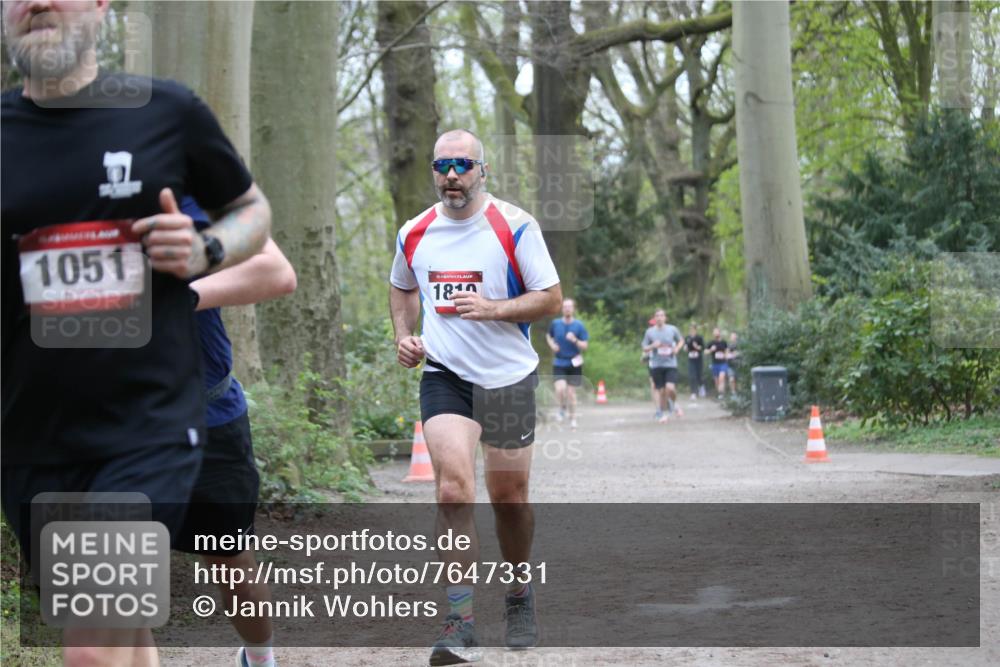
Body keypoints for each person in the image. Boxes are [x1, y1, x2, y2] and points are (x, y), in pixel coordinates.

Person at [1, 1, 271, 664]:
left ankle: (261, 652)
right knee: (121, 636)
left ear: (101, 5)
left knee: (91, 646)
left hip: (146, 426)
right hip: (30, 437)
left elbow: (251, 211)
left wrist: (205, 249)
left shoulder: (166, 113)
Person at [389, 129, 561, 665]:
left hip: (507, 377)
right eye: (442, 165)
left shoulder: (515, 225)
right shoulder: (414, 232)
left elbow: (550, 299)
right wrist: (404, 334)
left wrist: (494, 308)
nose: (452, 175)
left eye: (463, 165)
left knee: (509, 498)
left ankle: (518, 591)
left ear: (482, 171)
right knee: (452, 491)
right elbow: (402, 286)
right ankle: (460, 622)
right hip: (446, 376)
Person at [174, 198, 296, 667]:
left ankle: (260, 658)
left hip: (208, 417)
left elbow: (275, 271)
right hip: (105, 426)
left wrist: (180, 295)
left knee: (230, 562)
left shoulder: (182, 191)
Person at [546, 298, 589, 429]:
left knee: (571, 393)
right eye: (565, 307)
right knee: (560, 390)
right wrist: (552, 345)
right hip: (559, 361)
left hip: (574, 363)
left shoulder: (579, 325)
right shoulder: (555, 323)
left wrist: (575, 340)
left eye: (570, 306)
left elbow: (585, 345)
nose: (567, 309)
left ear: (574, 309)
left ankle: (573, 418)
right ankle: (562, 408)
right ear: (562, 309)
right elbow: (548, 335)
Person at [641, 309, 684, 423]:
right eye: (657, 316)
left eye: (661, 315)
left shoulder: (672, 329)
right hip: (656, 365)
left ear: (665, 318)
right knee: (661, 391)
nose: (659, 318)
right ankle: (663, 413)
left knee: (670, 388)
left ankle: (674, 403)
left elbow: (681, 340)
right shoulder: (649, 332)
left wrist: (677, 348)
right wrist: (652, 346)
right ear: (654, 318)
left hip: (670, 364)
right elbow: (644, 347)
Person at [684, 323, 705, 400]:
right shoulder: (687, 338)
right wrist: (685, 348)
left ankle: (701, 387)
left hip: (698, 359)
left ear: (695, 330)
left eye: (693, 329)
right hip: (691, 359)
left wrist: (697, 347)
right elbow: (685, 347)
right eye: (690, 329)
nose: (691, 330)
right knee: (692, 375)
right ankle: (693, 392)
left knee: (699, 375)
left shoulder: (699, 338)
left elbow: (703, 348)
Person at [706, 328, 729, 396]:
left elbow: (727, 351)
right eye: (714, 332)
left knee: (721, 378)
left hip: (723, 363)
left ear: (719, 333)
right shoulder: (711, 343)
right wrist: (711, 350)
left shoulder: (724, 342)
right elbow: (705, 352)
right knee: (716, 381)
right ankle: (719, 394)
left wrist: (726, 356)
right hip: (715, 363)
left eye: (716, 332)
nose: (715, 333)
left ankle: (722, 394)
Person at [726, 331, 741, 395]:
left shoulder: (740, 345)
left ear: (736, 337)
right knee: (731, 379)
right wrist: (731, 354)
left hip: (739, 365)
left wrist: (737, 354)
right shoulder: (728, 345)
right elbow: (726, 355)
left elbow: (742, 353)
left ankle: (740, 393)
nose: (733, 337)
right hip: (730, 365)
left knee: (739, 381)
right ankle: (733, 393)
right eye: (732, 336)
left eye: (734, 336)